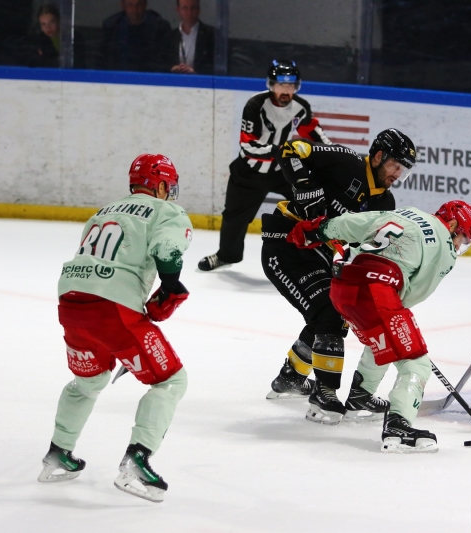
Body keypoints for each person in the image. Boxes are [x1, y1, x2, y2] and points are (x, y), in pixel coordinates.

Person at [38, 154, 193, 503]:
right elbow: (167, 249)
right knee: (170, 381)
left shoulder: (105, 211)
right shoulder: (167, 211)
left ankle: (58, 453)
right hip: (114, 308)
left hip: (71, 301)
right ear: (163, 185)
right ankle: (137, 461)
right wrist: (169, 286)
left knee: (88, 381)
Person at [287, 200, 471, 452]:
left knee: (383, 339)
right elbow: (413, 293)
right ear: (452, 224)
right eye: (462, 238)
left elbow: (350, 223)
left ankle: (361, 396)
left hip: (343, 287)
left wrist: (313, 231)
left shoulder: (408, 213)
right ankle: (399, 426)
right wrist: (399, 321)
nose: (459, 246)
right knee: (416, 362)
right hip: (375, 293)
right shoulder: (445, 249)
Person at [260, 129, 415, 426]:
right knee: (328, 310)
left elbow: (366, 248)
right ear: (379, 157)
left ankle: (291, 377)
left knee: (334, 310)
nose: (398, 174)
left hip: (319, 253)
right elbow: (291, 150)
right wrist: (305, 184)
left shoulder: (386, 204)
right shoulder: (345, 161)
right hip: (286, 244)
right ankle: (324, 393)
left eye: (404, 170)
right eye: (396, 166)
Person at [197, 60, 332, 272]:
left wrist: (334, 153)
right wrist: (278, 151)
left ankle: (318, 257)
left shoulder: (301, 107)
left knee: (311, 206)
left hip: (282, 172)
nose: (286, 90)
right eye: (281, 85)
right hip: (249, 172)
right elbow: (247, 145)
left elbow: (315, 134)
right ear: (271, 85)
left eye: (291, 85)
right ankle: (227, 255)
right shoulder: (255, 105)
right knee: (234, 216)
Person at [100, 0, 171, 72]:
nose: (135, 10)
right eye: (130, 5)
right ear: (123, 5)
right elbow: (103, 61)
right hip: (119, 78)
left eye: (139, 5)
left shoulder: (160, 28)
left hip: (150, 78)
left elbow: (164, 62)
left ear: (145, 5)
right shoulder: (111, 27)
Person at [168, 0, 214, 75]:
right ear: (178, 10)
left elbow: (216, 66)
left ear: (199, 9)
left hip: (202, 84)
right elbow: (161, 63)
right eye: (185, 8)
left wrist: (195, 73)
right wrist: (173, 68)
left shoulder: (211, 35)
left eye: (193, 8)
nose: (189, 12)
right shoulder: (170, 36)